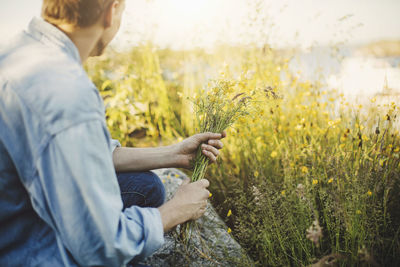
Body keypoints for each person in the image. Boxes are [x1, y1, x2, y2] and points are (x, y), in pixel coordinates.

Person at [0, 0, 225, 266]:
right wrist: (175, 211)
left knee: (144, 186)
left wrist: (174, 153)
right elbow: (102, 247)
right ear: (111, 10)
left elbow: (89, 153)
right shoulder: (66, 92)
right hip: (19, 249)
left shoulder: (18, 52)